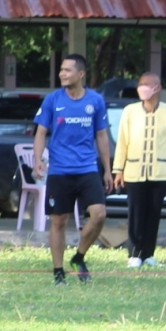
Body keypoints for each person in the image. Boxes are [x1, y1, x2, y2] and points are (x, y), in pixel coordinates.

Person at [33, 53, 113, 284]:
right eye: (61, 70)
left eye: (67, 70)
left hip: (87, 167)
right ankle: (58, 271)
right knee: (59, 220)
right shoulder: (53, 100)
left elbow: (101, 135)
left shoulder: (95, 101)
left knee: (99, 214)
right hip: (59, 169)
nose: (62, 74)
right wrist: (39, 159)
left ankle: (79, 256)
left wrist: (107, 169)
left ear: (81, 74)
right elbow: (40, 133)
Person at [110, 71, 166, 268]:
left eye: (147, 84)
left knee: (153, 213)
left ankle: (148, 253)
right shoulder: (130, 111)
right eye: (140, 83)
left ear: (157, 88)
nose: (142, 87)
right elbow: (122, 142)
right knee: (135, 213)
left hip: (159, 171)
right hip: (134, 170)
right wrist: (118, 170)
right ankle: (134, 253)